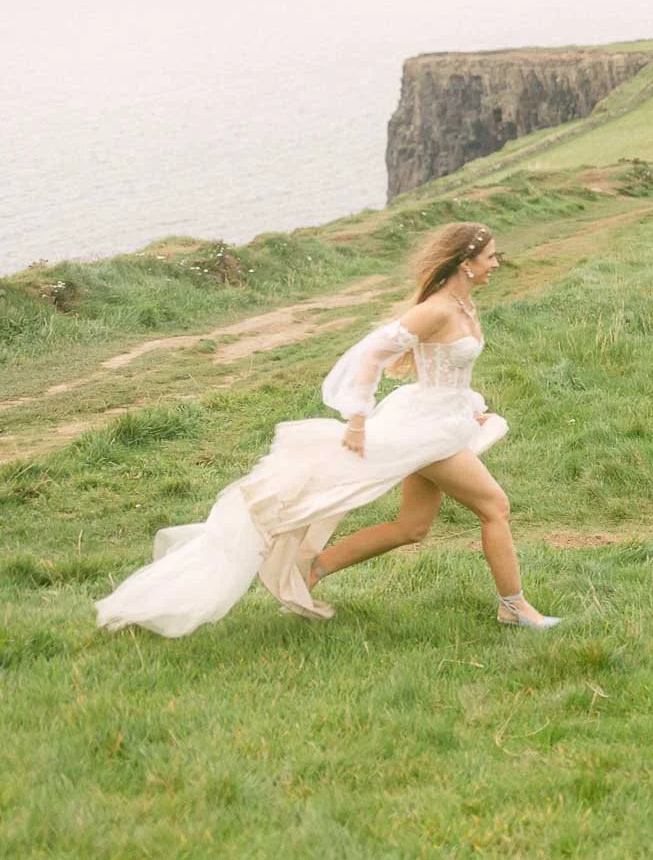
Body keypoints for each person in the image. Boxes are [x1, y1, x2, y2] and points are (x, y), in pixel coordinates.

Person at [94, 222, 560, 636]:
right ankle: (513, 607)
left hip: (443, 420)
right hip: (428, 430)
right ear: (465, 262)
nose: (496, 263)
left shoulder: (463, 305)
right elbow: (372, 352)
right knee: (495, 507)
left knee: (412, 527)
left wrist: (468, 408)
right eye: (490, 256)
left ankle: (314, 569)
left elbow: (446, 372)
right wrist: (357, 418)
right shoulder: (436, 309)